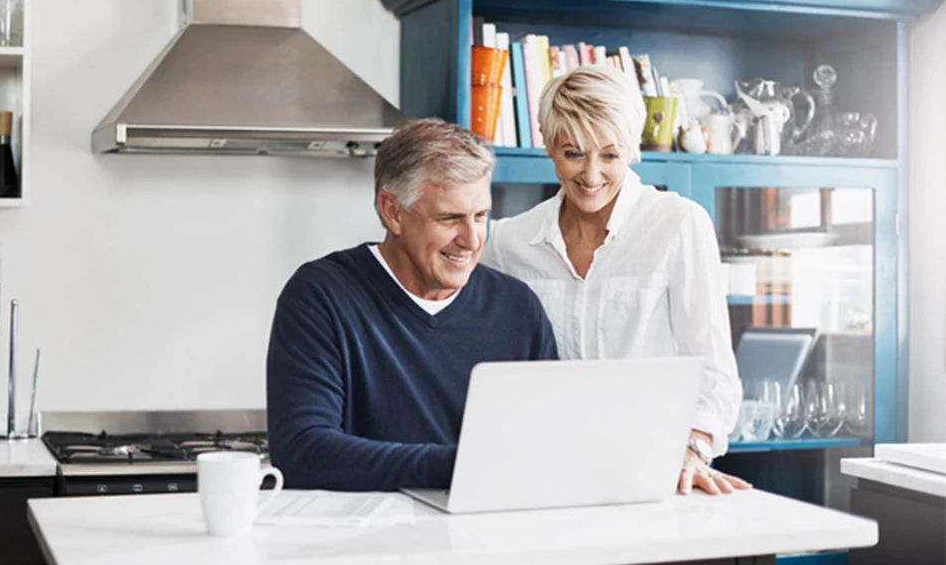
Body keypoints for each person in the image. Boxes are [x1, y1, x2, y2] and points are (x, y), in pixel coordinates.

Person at [480, 66, 750, 496]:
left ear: (633, 148)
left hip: (654, 471)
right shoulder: (510, 242)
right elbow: (487, 362)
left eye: (609, 155)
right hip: (545, 473)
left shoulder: (678, 224)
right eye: (573, 153)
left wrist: (693, 448)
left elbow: (714, 366)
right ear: (548, 146)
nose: (591, 175)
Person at [266, 118, 559, 492]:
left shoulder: (518, 309)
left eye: (482, 216)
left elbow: (550, 447)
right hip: (366, 545)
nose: (471, 240)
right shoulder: (320, 297)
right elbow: (303, 453)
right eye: (450, 218)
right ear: (392, 212)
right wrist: (460, 466)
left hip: (487, 537)